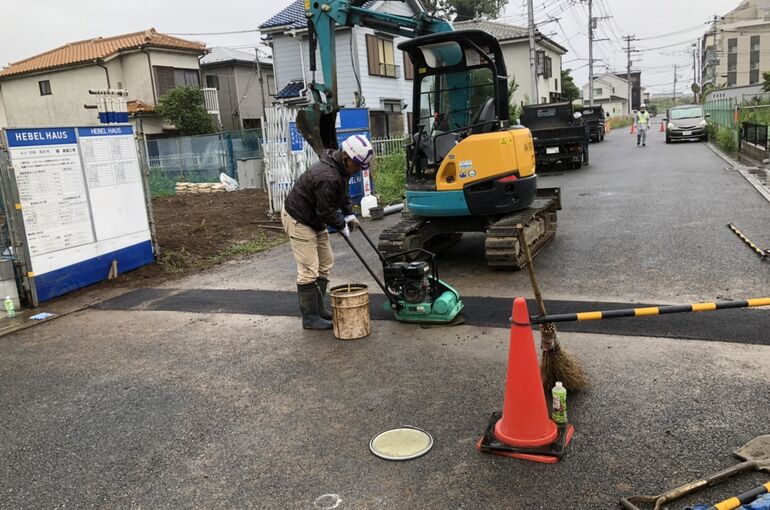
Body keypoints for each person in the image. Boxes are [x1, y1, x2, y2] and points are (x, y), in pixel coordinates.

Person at [281, 135, 375, 330]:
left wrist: (349, 214)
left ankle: (319, 309)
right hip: (299, 218)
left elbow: (341, 194)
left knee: (325, 262)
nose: (359, 169)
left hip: (314, 218)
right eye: (357, 165)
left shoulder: (341, 169)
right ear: (346, 158)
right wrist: (341, 225)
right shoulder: (327, 176)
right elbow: (325, 211)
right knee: (309, 269)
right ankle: (310, 317)